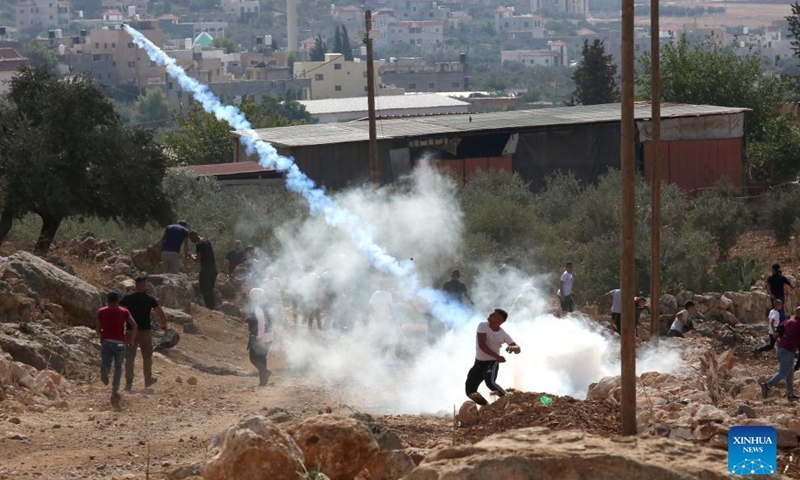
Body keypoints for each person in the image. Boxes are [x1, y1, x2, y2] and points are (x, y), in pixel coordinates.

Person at [121, 275, 168, 392]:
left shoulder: (127, 298)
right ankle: (148, 379)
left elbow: (119, 310)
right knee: (147, 356)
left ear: (136, 286)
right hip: (145, 332)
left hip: (131, 331)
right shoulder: (150, 299)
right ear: (144, 285)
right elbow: (160, 313)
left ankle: (129, 383)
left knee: (130, 357)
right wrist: (164, 324)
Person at [465, 309, 521, 406]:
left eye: (494, 315)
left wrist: (513, 347)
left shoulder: (502, 334)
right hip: (478, 363)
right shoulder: (483, 325)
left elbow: (518, 348)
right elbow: (482, 345)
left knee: (490, 383)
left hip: (491, 363)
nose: (490, 314)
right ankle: (486, 406)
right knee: (470, 391)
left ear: (499, 320)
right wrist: (497, 356)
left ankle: (509, 400)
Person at [96, 292, 138, 409]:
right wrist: (132, 340)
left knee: (107, 362)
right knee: (118, 366)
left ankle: (105, 369)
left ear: (107, 300)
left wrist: (102, 338)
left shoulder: (101, 311)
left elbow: (98, 328)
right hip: (120, 342)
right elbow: (134, 325)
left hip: (106, 342)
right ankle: (115, 390)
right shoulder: (124, 311)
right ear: (118, 301)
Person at [761, 306, 800, 401]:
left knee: (790, 373)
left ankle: (790, 394)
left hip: (781, 349)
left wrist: (779, 339)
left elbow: (779, 329)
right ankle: (767, 385)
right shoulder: (798, 324)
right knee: (783, 372)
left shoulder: (788, 321)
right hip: (788, 351)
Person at [246, 288, 274, 387]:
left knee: (253, 357)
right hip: (269, 336)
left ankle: (264, 371)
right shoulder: (268, 306)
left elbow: (262, 322)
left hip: (260, 335)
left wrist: (260, 337)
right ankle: (263, 382)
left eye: (253, 295)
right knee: (262, 358)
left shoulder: (258, 307)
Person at [190, 231, 217, 310]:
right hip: (213, 269)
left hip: (206, 270)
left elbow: (197, 260)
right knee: (210, 289)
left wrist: (191, 255)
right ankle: (212, 307)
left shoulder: (199, 244)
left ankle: (209, 308)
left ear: (195, 235)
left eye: (191, 238)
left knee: (204, 289)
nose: (191, 241)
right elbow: (204, 255)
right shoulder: (206, 241)